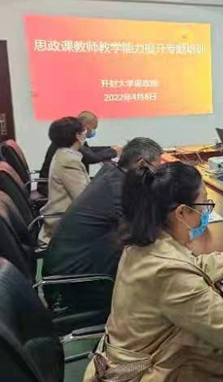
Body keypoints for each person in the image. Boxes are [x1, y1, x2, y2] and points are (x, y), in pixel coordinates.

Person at [83, 162, 223, 382]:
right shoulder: (167, 270)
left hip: (130, 360)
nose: (207, 212)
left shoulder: (146, 240)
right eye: (204, 205)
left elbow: (191, 266)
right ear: (182, 212)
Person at [43, 137, 164, 310]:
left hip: (71, 266)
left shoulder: (111, 173)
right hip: (75, 282)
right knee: (159, 280)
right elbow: (142, 236)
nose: (157, 174)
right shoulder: (119, 189)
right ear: (142, 164)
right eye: (157, 168)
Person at [38, 111, 122, 196]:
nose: (85, 133)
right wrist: (113, 152)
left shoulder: (64, 149)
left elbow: (88, 150)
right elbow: (90, 157)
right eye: (85, 131)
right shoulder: (69, 157)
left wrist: (110, 148)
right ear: (79, 134)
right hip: (56, 190)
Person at [39, 117, 91, 245]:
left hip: (65, 217)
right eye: (84, 131)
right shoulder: (69, 161)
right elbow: (85, 199)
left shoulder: (63, 154)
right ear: (78, 136)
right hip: (64, 222)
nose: (86, 134)